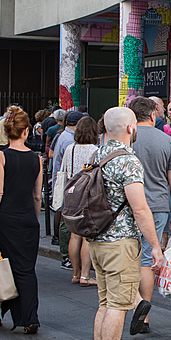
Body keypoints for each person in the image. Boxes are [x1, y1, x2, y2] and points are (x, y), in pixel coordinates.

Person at [87, 107, 166, 340]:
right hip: (120, 243)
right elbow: (140, 208)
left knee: (106, 304)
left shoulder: (97, 154)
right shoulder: (127, 161)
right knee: (118, 307)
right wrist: (155, 246)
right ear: (131, 128)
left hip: (97, 239)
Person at [0, 106, 43, 333]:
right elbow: (37, 195)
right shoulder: (37, 159)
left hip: (5, 219)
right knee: (26, 269)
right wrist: (34, 219)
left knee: (1, 264)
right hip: (28, 219)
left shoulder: (1, 156)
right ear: (26, 131)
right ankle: (30, 316)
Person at [127, 97, 171, 335]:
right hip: (158, 206)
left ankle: (135, 303)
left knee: (126, 256)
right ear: (153, 116)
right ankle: (145, 316)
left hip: (127, 205)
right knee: (148, 260)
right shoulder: (166, 141)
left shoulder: (125, 139)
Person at [61, 116, 102, 286]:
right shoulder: (96, 150)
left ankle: (75, 273)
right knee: (87, 237)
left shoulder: (70, 148)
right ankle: (86, 275)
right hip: (88, 195)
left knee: (74, 235)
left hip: (71, 195)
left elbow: (63, 170)